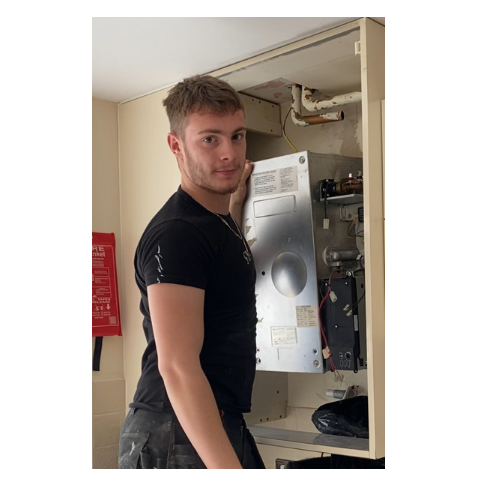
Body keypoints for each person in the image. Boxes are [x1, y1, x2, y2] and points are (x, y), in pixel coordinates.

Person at [118, 74, 265, 469]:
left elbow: (219, 264)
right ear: (176, 145)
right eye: (210, 139)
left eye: (237, 136)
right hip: (175, 429)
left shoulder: (213, 223)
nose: (229, 154)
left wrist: (236, 202)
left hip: (204, 421)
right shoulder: (177, 234)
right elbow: (177, 367)